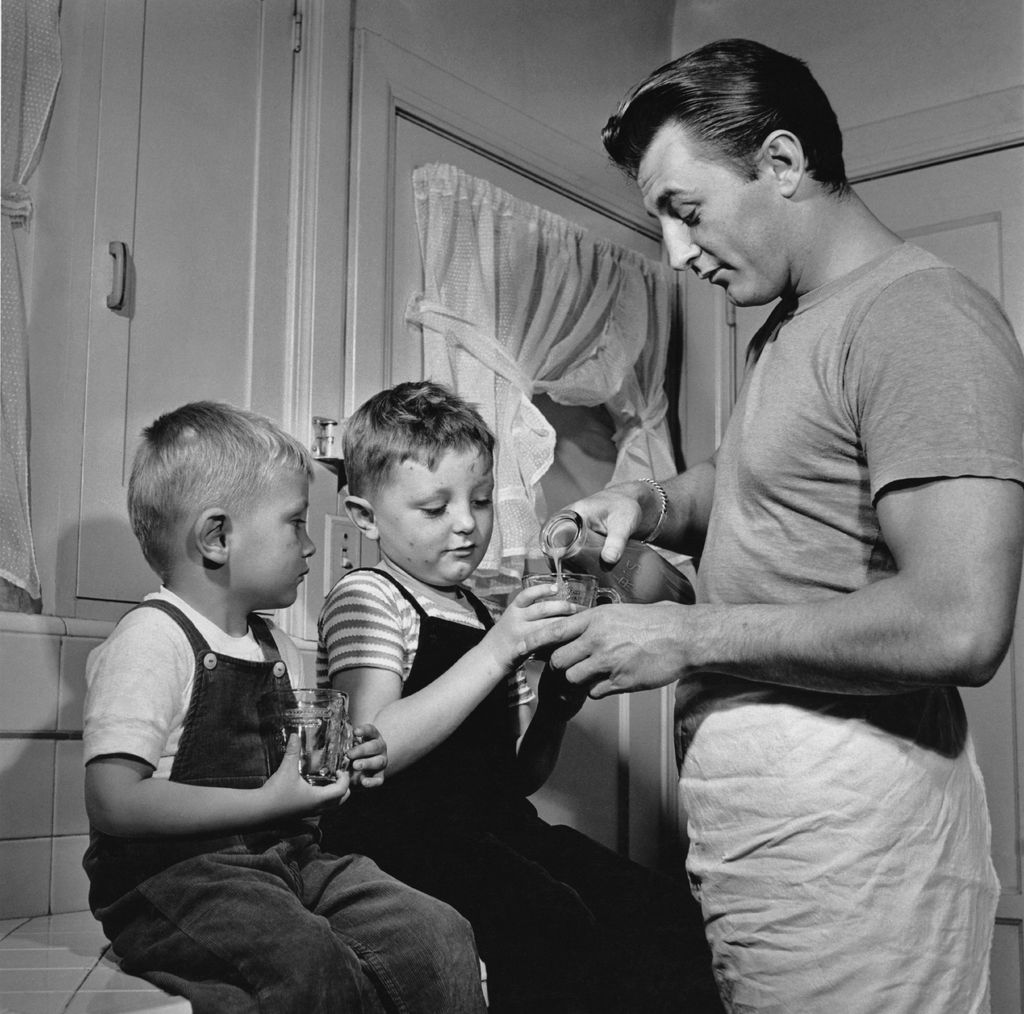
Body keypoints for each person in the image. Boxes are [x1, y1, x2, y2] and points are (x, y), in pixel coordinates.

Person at [530, 38, 1024, 1014]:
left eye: (687, 210)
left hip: (854, 839)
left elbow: (960, 621)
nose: (678, 252)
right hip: (776, 833)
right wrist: (647, 503)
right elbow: (750, 480)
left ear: (783, 163)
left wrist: (684, 636)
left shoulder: (920, 317)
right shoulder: (794, 324)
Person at [316, 380, 723, 1014]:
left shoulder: (482, 614)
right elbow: (367, 752)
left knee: (655, 909)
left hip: (497, 829)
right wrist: (498, 649)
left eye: (480, 500)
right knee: (552, 925)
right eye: (434, 508)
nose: (466, 523)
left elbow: (514, 780)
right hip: (399, 840)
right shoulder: (368, 596)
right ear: (365, 517)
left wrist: (555, 709)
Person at [82, 400, 487, 1014]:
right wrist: (270, 801)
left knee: (439, 934)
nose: (311, 544)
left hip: (289, 861)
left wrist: (348, 760)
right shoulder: (151, 640)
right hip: (174, 879)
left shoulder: (277, 648)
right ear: (217, 538)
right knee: (308, 961)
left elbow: (301, 775)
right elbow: (113, 802)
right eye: (295, 523)